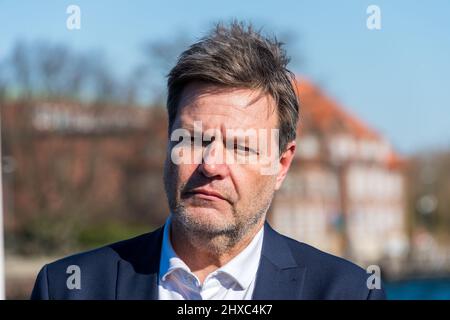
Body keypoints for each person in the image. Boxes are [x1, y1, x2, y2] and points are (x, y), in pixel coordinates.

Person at [31, 21, 385, 300]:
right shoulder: (67, 289)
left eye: (240, 146)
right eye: (194, 139)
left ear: (281, 164)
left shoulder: (347, 293)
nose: (211, 164)